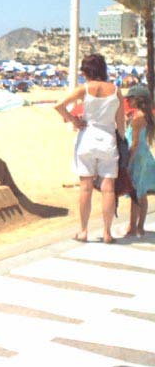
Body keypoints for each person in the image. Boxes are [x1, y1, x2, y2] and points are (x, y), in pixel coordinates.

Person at [55, 54, 124, 244]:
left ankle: (84, 231)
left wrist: (74, 120)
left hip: (87, 139)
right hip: (108, 139)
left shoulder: (84, 89)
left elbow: (58, 105)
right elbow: (120, 123)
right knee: (108, 188)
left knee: (85, 187)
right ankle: (107, 232)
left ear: (86, 71)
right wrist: (122, 140)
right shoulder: (116, 91)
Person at [124, 85, 154, 236]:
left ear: (138, 100)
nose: (128, 101)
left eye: (130, 98)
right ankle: (140, 226)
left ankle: (132, 227)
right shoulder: (147, 116)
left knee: (135, 194)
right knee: (142, 194)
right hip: (145, 155)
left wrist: (128, 163)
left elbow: (134, 143)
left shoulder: (137, 118)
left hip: (137, 157)